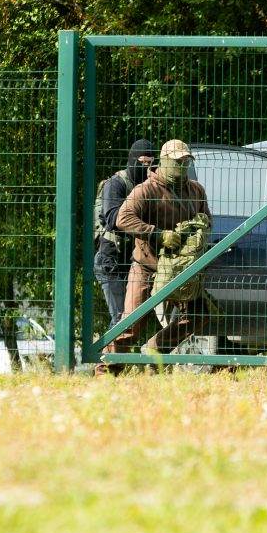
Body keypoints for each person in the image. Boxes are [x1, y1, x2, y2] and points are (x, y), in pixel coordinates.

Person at [103, 139, 212, 367]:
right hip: (146, 266)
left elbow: (207, 219)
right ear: (163, 162)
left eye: (185, 162)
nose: (181, 167)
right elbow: (122, 218)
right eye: (176, 162)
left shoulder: (195, 190)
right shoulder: (146, 189)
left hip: (181, 271)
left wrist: (197, 233)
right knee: (130, 325)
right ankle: (106, 370)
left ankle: (154, 350)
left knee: (199, 314)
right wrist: (159, 235)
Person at [94, 139, 156, 330]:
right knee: (121, 319)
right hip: (110, 260)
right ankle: (106, 360)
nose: (146, 167)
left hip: (135, 261)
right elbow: (113, 219)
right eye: (143, 162)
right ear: (133, 160)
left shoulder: (150, 185)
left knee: (135, 319)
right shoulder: (116, 184)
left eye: (151, 163)